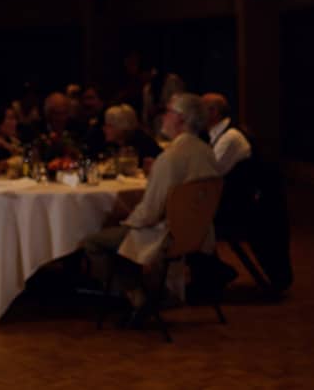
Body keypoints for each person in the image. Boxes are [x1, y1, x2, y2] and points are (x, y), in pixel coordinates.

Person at [81, 93, 219, 325]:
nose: (163, 117)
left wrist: (124, 220)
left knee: (94, 242)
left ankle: (136, 297)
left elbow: (150, 213)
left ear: (181, 119)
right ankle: (152, 292)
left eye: (168, 112)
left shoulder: (171, 157)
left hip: (166, 234)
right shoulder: (206, 152)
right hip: (197, 233)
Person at [202, 92, 293, 295]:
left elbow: (210, 173)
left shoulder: (231, 137)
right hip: (237, 203)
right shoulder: (219, 134)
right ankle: (212, 271)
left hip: (244, 209)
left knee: (190, 219)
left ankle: (212, 272)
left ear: (214, 112)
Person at [97, 103, 162, 169]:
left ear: (122, 127)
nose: (104, 128)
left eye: (109, 126)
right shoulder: (108, 145)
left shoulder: (145, 144)